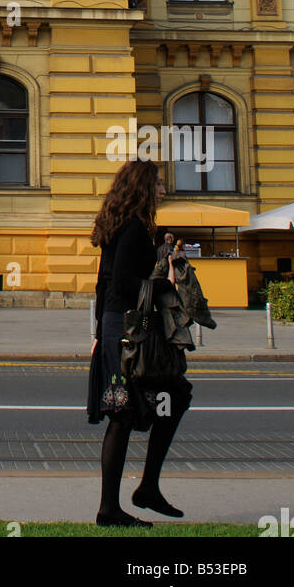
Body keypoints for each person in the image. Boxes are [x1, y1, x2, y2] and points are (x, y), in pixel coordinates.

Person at [88, 158, 193, 526]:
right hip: (129, 332)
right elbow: (121, 285)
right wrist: (165, 285)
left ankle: (137, 493)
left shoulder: (121, 226)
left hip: (118, 328)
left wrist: (98, 333)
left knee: (156, 402)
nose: (164, 189)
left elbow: (103, 284)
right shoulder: (133, 229)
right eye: (159, 183)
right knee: (138, 410)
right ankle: (119, 503)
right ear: (144, 187)